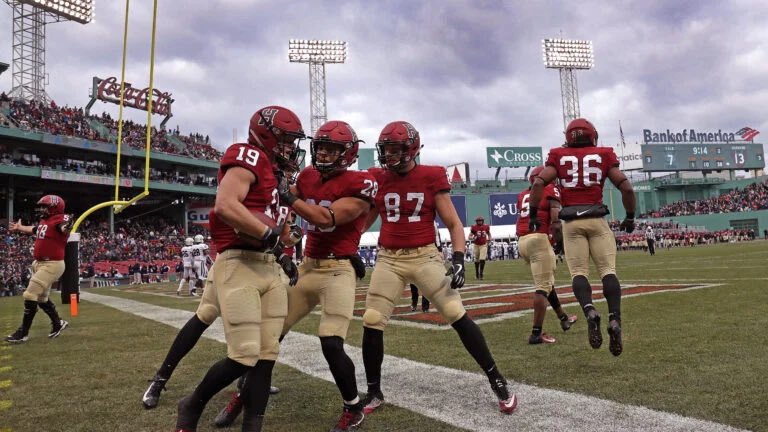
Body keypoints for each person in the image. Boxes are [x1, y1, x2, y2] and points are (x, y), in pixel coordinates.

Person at [139, 106, 303, 432]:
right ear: (267, 136)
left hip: (268, 266)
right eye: (285, 141)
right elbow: (227, 206)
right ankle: (190, 401)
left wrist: (290, 237)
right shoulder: (248, 156)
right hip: (238, 262)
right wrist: (269, 233)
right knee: (242, 353)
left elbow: (284, 234)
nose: (290, 148)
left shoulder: (278, 180)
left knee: (267, 356)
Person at [214, 120, 376, 431]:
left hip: (338, 270)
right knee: (268, 337)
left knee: (331, 341)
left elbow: (324, 219)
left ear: (349, 153)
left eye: (333, 148)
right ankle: (243, 395)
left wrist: (353, 239)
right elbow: (285, 204)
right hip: (308, 267)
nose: (325, 153)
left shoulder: (361, 182)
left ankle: (352, 407)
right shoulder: (308, 175)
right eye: (323, 146)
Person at [360, 121, 517, 415]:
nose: (389, 155)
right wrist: (349, 243)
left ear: (412, 149)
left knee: (456, 314)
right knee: (372, 319)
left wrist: (458, 258)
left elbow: (454, 223)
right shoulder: (378, 178)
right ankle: (373, 391)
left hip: (424, 257)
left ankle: (496, 378)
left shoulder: (431, 175)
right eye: (387, 150)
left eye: (396, 149)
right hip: (389, 259)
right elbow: (366, 219)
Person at [528, 118, 636, 357]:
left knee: (579, 273)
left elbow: (538, 182)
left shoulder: (558, 155)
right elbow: (626, 188)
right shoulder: (604, 154)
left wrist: (533, 215)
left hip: (571, 223)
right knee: (608, 271)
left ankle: (589, 311)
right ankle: (615, 319)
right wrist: (629, 216)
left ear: (568, 137)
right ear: (593, 135)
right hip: (597, 219)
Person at [515, 166, 578, 344]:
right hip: (538, 239)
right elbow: (556, 222)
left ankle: (563, 319)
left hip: (523, 241)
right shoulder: (550, 188)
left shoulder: (522, 195)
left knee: (547, 282)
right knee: (543, 286)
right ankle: (536, 334)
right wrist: (559, 244)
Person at [5, 195, 71, 343]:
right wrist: (20, 228)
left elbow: (63, 228)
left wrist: (67, 227)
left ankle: (23, 333)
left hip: (52, 264)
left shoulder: (59, 219)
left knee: (30, 295)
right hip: (40, 263)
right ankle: (58, 323)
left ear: (54, 208)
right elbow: (35, 229)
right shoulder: (46, 220)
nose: (42, 209)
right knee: (41, 299)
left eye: (45, 206)